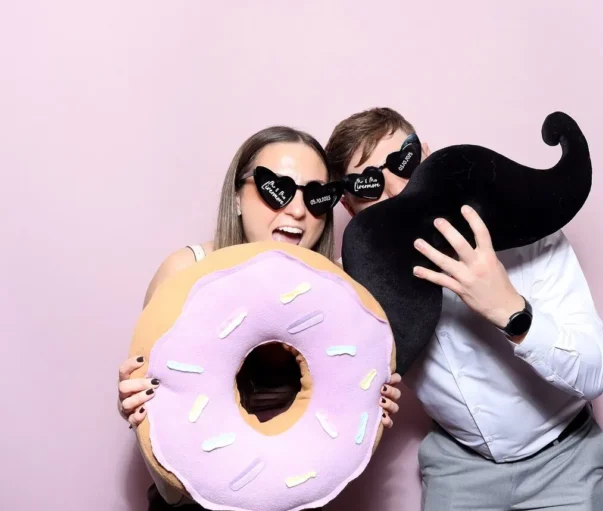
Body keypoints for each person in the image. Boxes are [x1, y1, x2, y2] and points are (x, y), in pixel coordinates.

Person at [325, 108, 603, 511]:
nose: (395, 190)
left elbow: (596, 373)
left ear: (428, 154)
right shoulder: (353, 291)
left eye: (403, 162)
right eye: (368, 184)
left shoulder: (532, 236)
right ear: (352, 209)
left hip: (564, 460)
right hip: (458, 469)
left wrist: (511, 310)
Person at [116, 126, 403, 510]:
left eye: (317, 196)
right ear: (237, 197)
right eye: (277, 189)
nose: (298, 210)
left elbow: (334, 454)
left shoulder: (339, 296)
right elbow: (170, 484)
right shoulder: (186, 276)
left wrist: (369, 402)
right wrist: (140, 413)